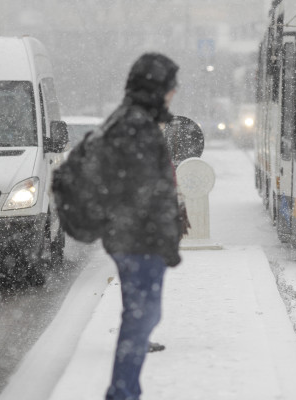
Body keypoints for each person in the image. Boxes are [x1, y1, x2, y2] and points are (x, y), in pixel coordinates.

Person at [101, 52, 183, 400]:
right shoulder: (134, 125)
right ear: (155, 87)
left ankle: (125, 391)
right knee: (140, 318)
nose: (174, 91)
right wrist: (162, 237)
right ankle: (122, 394)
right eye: (170, 85)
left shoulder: (133, 120)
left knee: (144, 316)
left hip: (136, 237)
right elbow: (141, 190)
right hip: (138, 240)